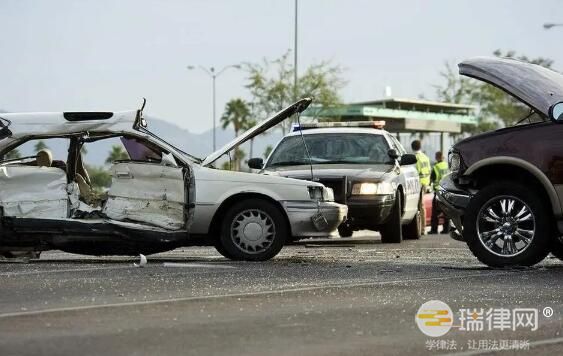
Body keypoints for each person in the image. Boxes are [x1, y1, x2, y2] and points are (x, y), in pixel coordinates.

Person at [411, 140, 431, 234]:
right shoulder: (425, 157)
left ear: (412, 147)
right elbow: (429, 171)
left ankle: (420, 228)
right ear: (420, 146)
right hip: (425, 183)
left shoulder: (415, 158)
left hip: (418, 183)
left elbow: (413, 172)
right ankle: (423, 228)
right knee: (422, 206)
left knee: (418, 206)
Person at [430, 151, 450, 234]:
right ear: (443, 157)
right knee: (447, 211)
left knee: (435, 212)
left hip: (438, 192)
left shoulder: (435, 167)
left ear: (437, 157)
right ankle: (446, 229)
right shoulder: (447, 165)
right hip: (447, 191)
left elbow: (432, 179)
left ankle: (434, 230)